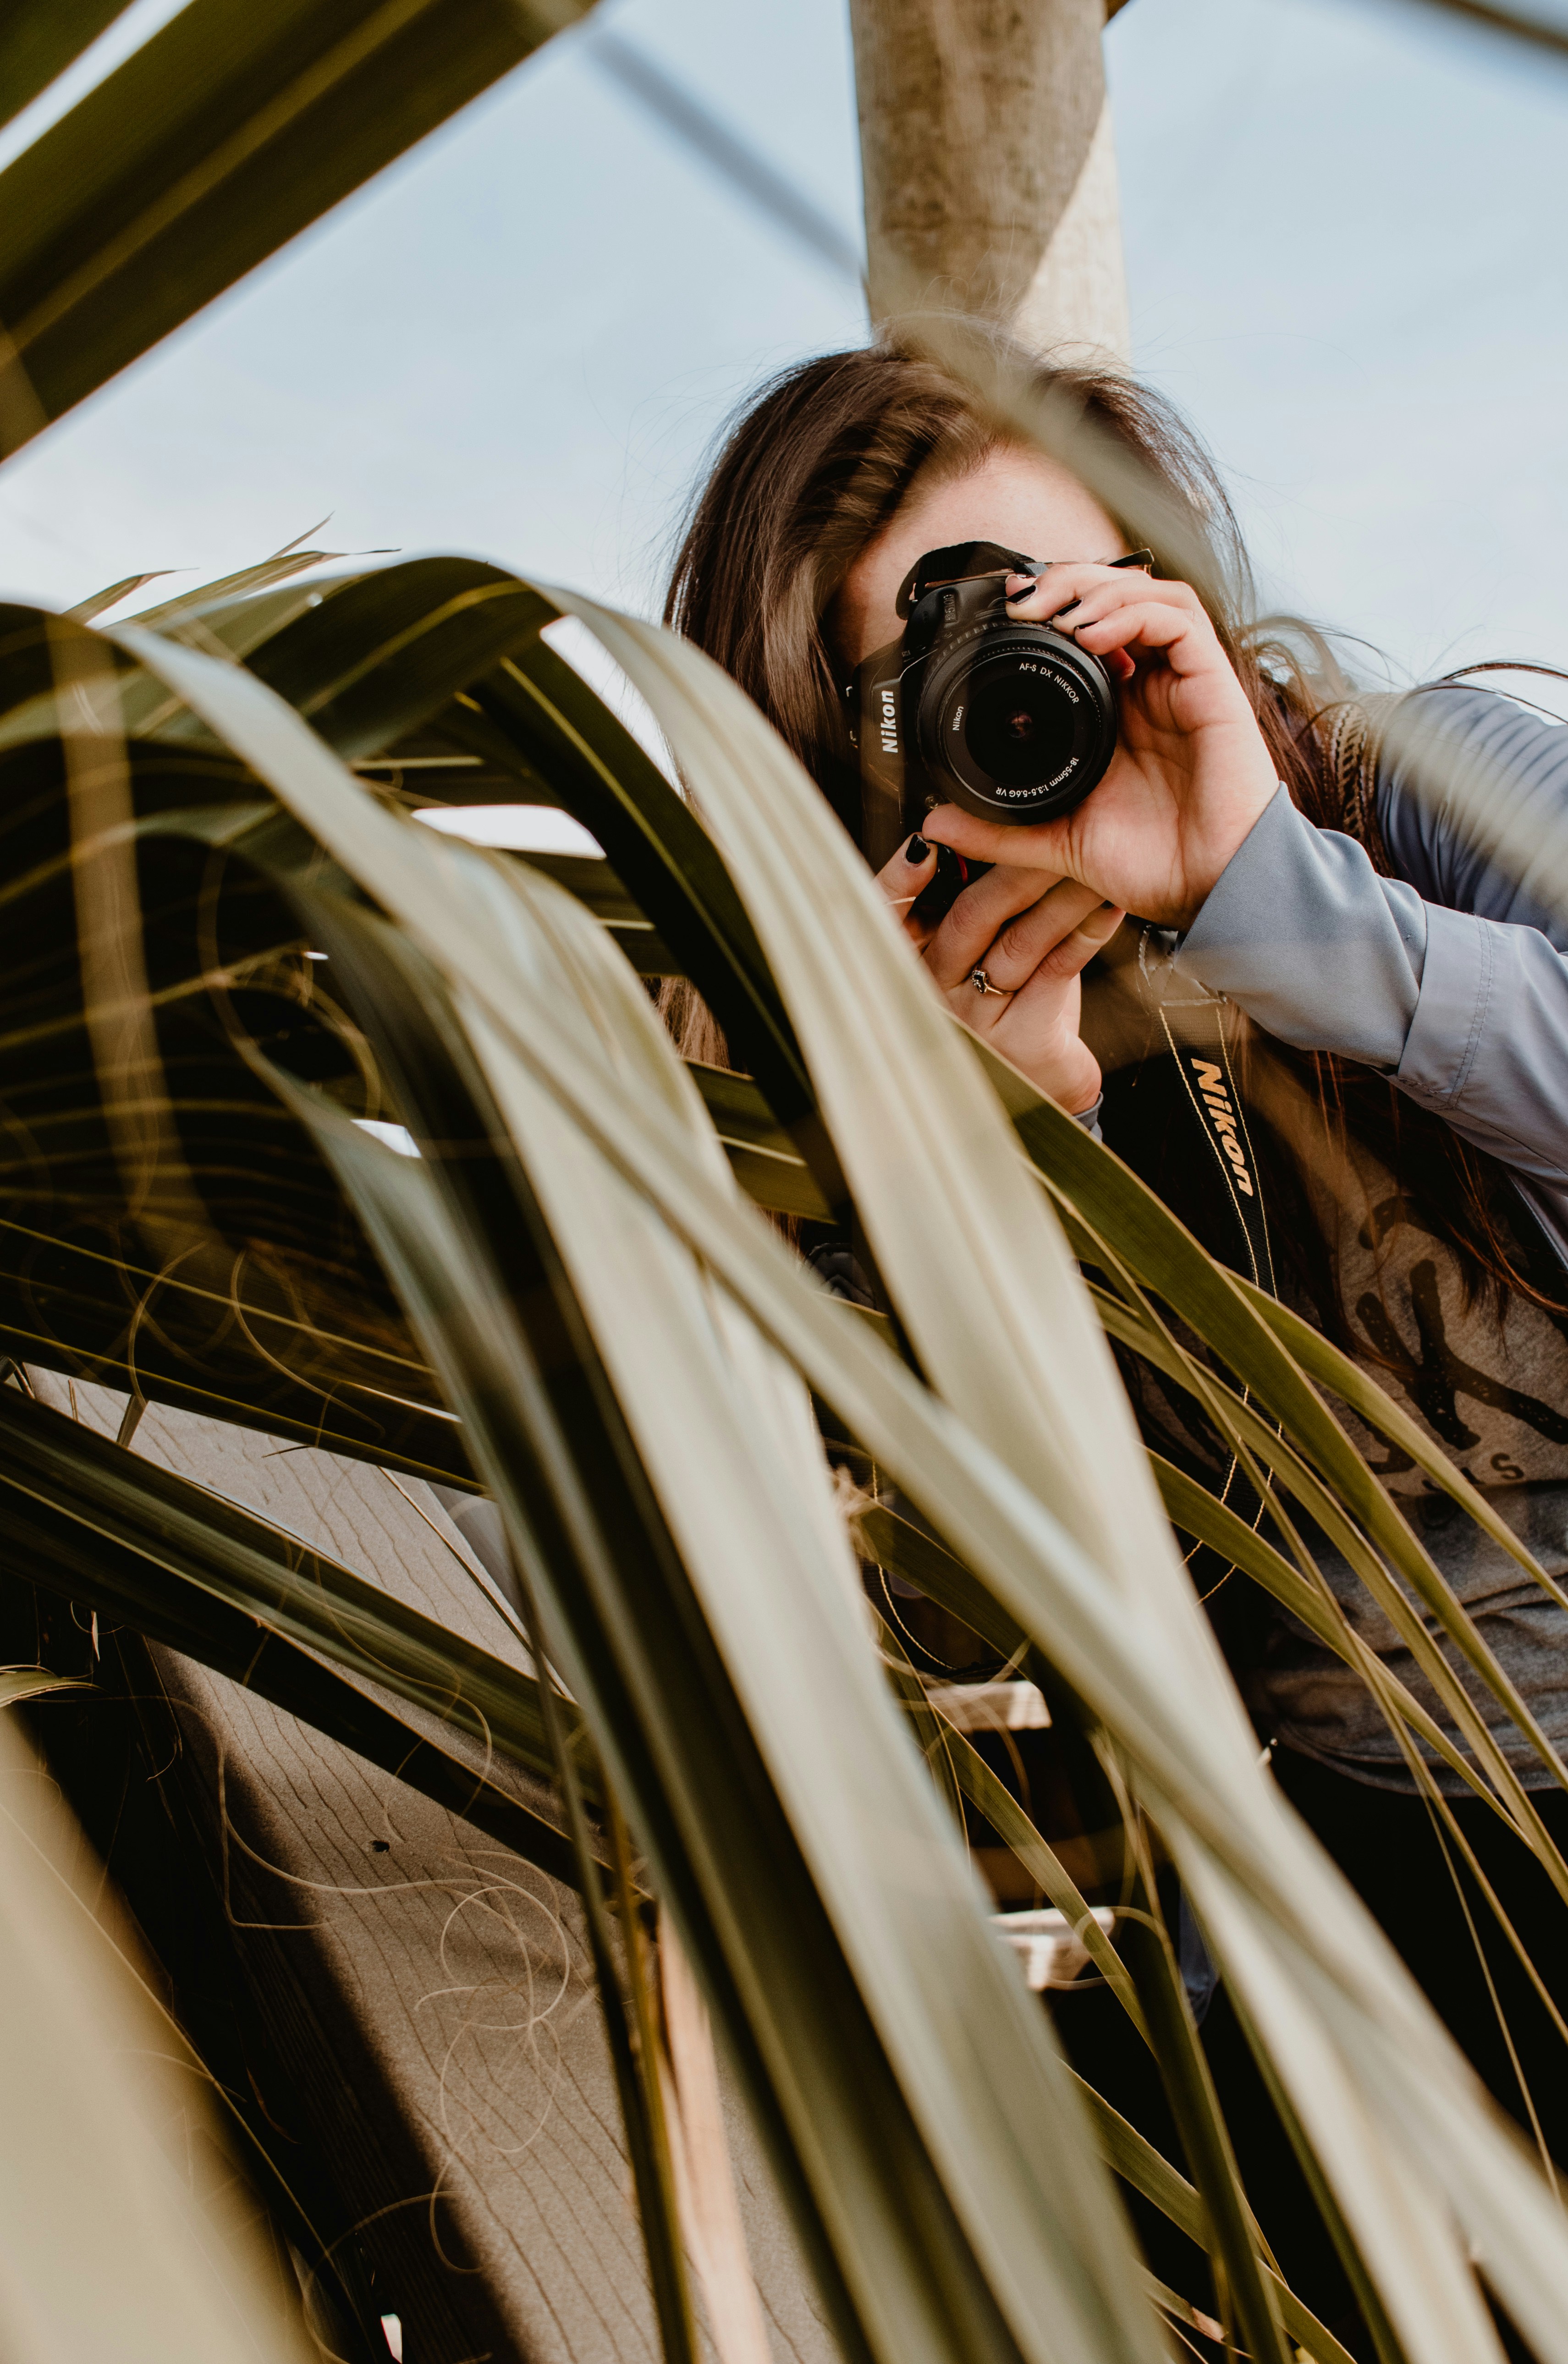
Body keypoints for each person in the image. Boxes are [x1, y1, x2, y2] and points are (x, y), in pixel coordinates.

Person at [662, 335, 1568, 2350]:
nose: (1022, 699)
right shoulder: (859, 1070)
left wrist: (1289, 911)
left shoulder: (1420, 785)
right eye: (929, 667)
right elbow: (967, 1668)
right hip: (1386, 1886)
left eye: (1060, 613)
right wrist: (985, 1192)